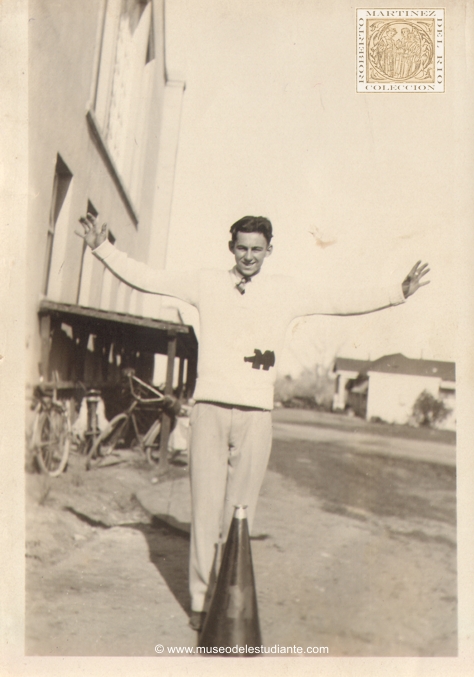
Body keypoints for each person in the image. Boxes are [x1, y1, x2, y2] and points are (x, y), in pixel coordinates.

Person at [77, 213, 430, 631]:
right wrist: (102, 249)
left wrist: (397, 292)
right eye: (241, 248)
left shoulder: (286, 292)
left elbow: (339, 300)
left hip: (257, 416)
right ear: (232, 248)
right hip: (209, 410)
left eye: (256, 249)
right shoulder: (206, 282)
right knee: (205, 512)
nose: (248, 256)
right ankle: (199, 602)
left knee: (240, 516)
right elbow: (148, 278)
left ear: (269, 251)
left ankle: (229, 599)